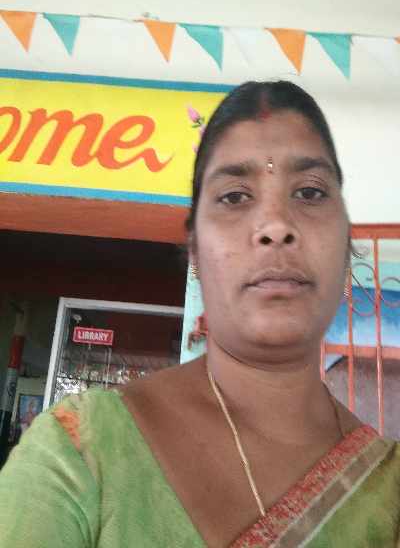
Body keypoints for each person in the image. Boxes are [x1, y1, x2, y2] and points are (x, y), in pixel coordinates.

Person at [0, 80, 399, 547]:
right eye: (234, 196)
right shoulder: (78, 452)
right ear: (194, 249)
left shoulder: (388, 491)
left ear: (346, 240)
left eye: (310, 192)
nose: (276, 226)